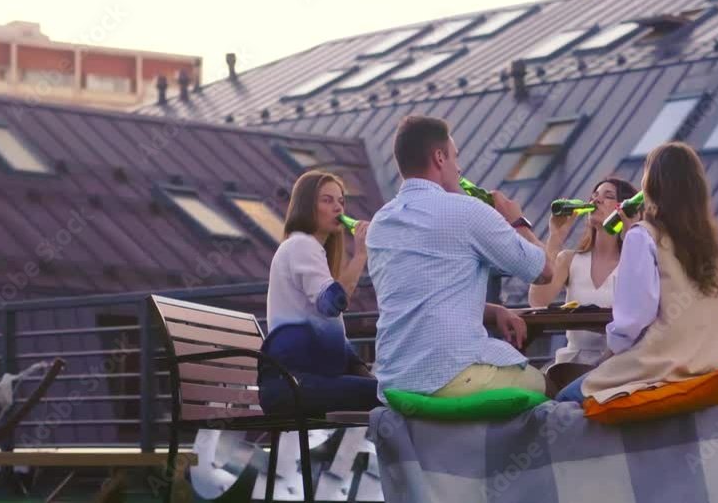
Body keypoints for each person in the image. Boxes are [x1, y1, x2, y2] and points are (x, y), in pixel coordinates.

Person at [366, 115, 555, 400]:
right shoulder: (468, 210)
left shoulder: (380, 222)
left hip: (395, 382)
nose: (459, 167)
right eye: (455, 157)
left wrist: (494, 311)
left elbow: (421, 297)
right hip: (453, 374)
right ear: (439, 157)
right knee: (551, 386)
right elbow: (544, 272)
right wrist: (517, 221)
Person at [556, 142, 718, 404]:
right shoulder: (706, 245)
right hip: (714, 369)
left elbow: (633, 320)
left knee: (564, 398)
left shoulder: (643, 236)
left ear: (651, 186)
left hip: (660, 369)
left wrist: (607, 357)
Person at [257, 170, 379, 416]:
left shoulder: (309, 250)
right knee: (395, 399)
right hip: (293, 383)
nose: (338, 208)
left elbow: (330, 329)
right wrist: (360, 255)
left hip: (297, 381)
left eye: (341, 201)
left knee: (389, 395)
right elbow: (332, 303)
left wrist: (366, 375)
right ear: (307, 206)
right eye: (327, 200)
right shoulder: (301, 245)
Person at [528, 178, 639, 367]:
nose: (597, 200)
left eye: (608, 196)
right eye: (594, 196)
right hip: (571, 363)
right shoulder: (569, 259)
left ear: (624, 209)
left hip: (617, 363)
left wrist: (631, 232)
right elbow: (537, 301)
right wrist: (556, 236)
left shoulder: (634, 261)